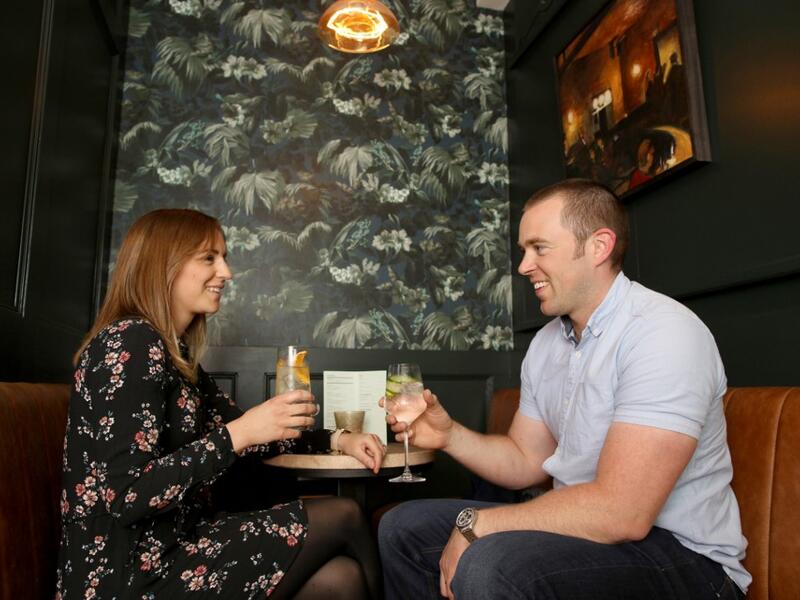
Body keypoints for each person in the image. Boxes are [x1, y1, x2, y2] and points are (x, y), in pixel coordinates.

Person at [378, 179, 749, 600]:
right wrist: (449, 436)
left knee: (491, 560)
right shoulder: (547, 343)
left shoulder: (663, 333)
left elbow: (622, 513)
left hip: (686, 560)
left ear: (598, 246)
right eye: (523, 250)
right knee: (402, 529)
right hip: (586, 533)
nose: (522, 266)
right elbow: (525, 460)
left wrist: (479, 524)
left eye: (539, 248)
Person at [55, 208, 386, 599]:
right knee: (345, 514)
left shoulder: (172, 354)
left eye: (224, 258)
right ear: (165, 264)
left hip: (173, 547)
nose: (226, 273)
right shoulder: (130, 342)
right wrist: (237, 435)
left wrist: (337, 439)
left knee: (341, 578)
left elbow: (257, 432)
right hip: (128, 573)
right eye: (209, 258)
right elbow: (128, 495)